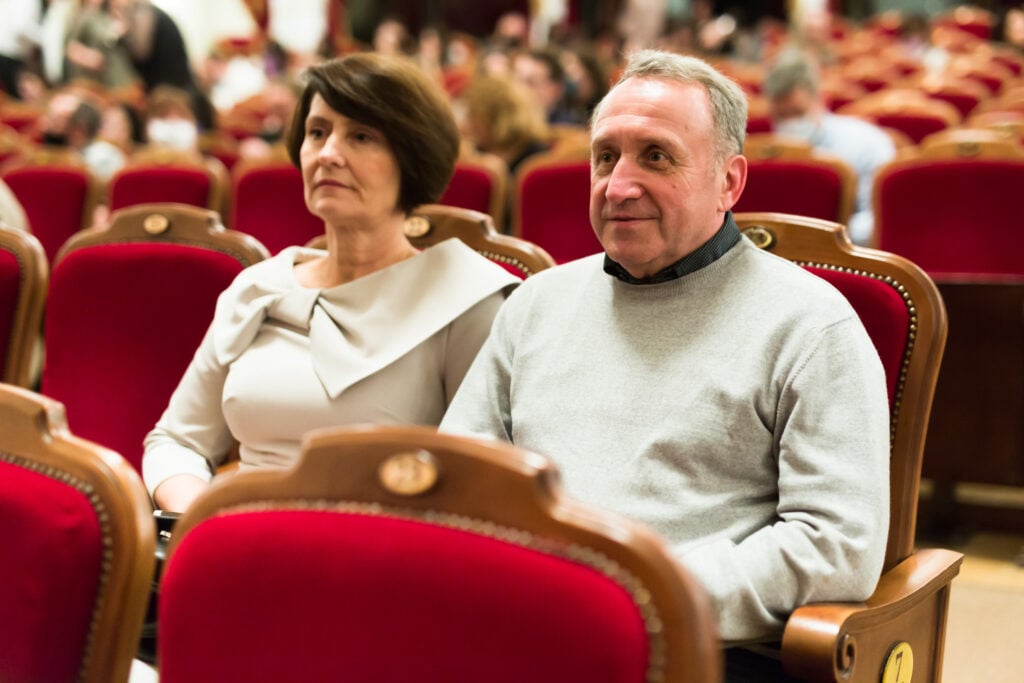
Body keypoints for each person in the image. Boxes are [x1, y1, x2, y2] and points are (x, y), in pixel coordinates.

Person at [440, 50, 890, 674]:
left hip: (695, 646)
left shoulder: (811, 323)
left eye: (656, 156)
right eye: (605, 157)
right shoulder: (536, 303)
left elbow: (837, 545)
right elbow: (460, 473)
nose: (619, 185)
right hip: (523, 624)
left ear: (729, 182)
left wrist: (636, 595)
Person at [142, 53, 519, 513]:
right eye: (317, 132)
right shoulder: (258, 288)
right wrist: (196, 515)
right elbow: (177, 441)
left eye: (361, 136)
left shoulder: (464, 297)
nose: (327, 154)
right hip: (235, 543)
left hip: (381, 556)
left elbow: (481, 480)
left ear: (413, 156)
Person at [763, 50, 895, 246]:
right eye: (781, 116)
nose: (790, 124)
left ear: (822, 99)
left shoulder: (866, 143)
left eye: (798, 113)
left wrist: (826, 240)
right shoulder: (763, 155)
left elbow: (877, 220)